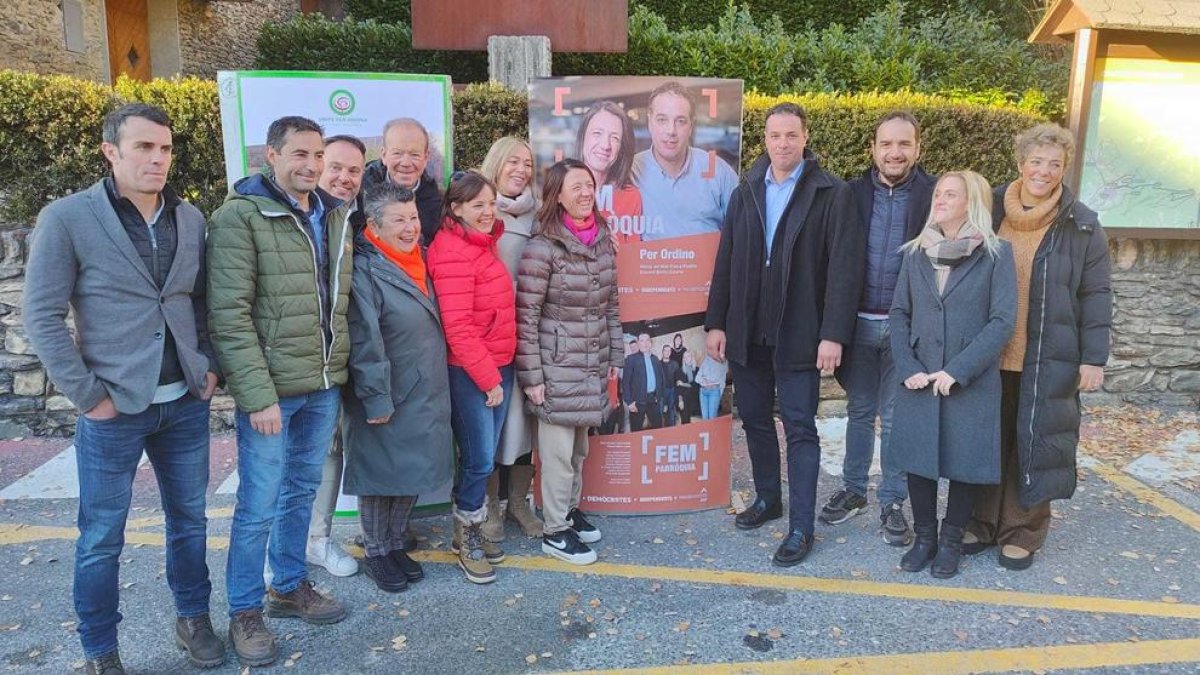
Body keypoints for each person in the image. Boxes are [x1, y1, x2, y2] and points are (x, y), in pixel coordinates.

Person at [24, 103, 223, 674]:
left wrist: (208, 364)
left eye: (165, 148)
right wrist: (90, 397)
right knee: (102, 537)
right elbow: (41, 315)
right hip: (113, 409)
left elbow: (199, 299)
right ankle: (100, 652)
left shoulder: (190, 218)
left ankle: (192, 619)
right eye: (144, 148)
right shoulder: (67, 217)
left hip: (184, 403)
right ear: (111, 152)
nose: (158, 159)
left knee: (190, 522)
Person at [208, 116, 354, 667]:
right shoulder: (239, 218)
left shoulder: (333, 214)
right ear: (271, 156)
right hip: (272, 392)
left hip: (322, 384)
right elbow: (229, 314)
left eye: (318, 154)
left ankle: (288, 585)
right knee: (258, 503)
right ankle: (246, 610)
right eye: (299, 154)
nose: (312, 165)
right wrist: (256, 394)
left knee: (300, 492)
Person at [705, 102, 864, 566]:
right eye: (775, 135)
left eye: (791, 135)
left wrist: (833, 334)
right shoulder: (747, 189)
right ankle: (768, 499)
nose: (783, 143)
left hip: (801, 333)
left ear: (805, 136)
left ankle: (801, 526)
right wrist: (718, 321)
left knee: (799, 428)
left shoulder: (831, 193)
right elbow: (727, 259)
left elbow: (843, 272)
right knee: (754, 418)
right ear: (765, 139)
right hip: (748, 331)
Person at [964, 123, 1112, 570]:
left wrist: (1093, 358)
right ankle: (981, 520)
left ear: (1064, 169)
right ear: (1020, 163)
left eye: (1054, 164)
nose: (1044, 171)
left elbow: (1096, 294)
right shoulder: (987, 209)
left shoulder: (1081, 224)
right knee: (987, 440)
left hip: (1048, 353)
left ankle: (1023, 530)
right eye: (1036, 161)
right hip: (989, 351)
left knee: (1036, 443)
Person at [889, 171, 1017, 578]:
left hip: (970, 379)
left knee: (965, 462)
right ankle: (925, 538)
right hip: (920, 377)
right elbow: (899, 313)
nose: (940, 199)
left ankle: (950, 542)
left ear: (971, 202)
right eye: (939, 193)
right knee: (918, 460)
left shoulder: (997, 254)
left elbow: (1001, 321)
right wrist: (908, 368)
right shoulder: (915, 252)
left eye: (951, 194)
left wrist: (959, 370)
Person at [821, 111, 937, 545]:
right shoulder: (847, 194)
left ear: (917, 149)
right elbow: (832, 264)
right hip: (859, 325)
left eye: (904, 144)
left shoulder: (932, 195)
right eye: (887, 144)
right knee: (857, 412)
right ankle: (853, 491)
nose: (895, 152)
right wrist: (831, 328)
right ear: (873, 148)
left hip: (907, 328)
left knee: (894, 418)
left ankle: (892, 501)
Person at [342, 184, 453, 593]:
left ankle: (392, 544)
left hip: (423, 389)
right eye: (399, 220)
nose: (410, 228)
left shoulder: (419, 258)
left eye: (413, 218)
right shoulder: (366, 267)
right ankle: (375, 551)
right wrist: (375, 397)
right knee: (379, 476)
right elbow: (364, 336)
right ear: (373, 225)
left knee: (410, 471)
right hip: (388, 387)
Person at [516, 158, 623, 565]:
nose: (584, 193)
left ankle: (569, 512)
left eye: (589, 185)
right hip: (556, 366)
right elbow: (525, 315)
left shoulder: (602, 240)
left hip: (591, 363)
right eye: (576, 186)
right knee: (557, 455)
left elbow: (611, 306)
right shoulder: (543, 246)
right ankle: (555, 532)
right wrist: (533, 377)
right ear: (557, 195)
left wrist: (616, 354)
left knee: (579, 450)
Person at [426, 171, 517, 584]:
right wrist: (488, 379)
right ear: (456, 208)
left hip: (499, 363)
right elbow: (457, 327)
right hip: (472, 371)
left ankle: (471, 529)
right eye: (477, 204)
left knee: (485, 455)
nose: (487, 212)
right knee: (478, 457)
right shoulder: (451, 250)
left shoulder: (484, 244)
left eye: (491, 203)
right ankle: (467, 536)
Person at [305, 134, 368, 580]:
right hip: (305, 361)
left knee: (336, 450)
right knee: (305, 457)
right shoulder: (302, 218)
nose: (344, 178)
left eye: (354, 171)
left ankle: (318, 539)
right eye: (337, 167)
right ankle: (296, 547)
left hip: (346, 355)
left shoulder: (352, 219)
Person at [478, 136, 544, 542]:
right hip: (488, 337)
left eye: (527, 163)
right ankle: (488, 508)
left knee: (524, 424)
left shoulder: (539, 215)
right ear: (496, 163)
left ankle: (518, 503)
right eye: (513, 162)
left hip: (529, 334)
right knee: (489, 426)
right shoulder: (476, 208)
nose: (521, 169)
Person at [632, 81, 738, 240]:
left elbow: (741, 230)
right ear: (650, 123)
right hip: (651, 264)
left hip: (709, 264)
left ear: (691, 126)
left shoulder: (718, 171)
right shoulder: (631, 170)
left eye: (680, 121)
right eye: (662, 120)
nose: (671, 131)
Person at [361, 118, 443, 244]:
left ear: (426, 158)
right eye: (397, 153)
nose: (405, 163)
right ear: (384, 155)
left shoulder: (438, 203)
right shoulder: (360, 192)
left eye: (414, 155)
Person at [574, 100, 643, 242]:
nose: (605, 145)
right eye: (597, 133)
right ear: (582, 137)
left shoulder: (630, 197)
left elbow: (632, 258)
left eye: (615, 138)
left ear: (622, 148)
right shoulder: (560, 191)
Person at [622, 333, 666, 432]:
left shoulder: (656, 360)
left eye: (647, 340)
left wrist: (659, 397)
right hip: (636, 403)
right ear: (638, 343)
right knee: (636, 432)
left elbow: (661, 380)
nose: (645, 343)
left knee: (658, 429)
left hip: (653, 400)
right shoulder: (631, 359)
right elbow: (625, 383)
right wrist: (629, 403)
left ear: (650, 343)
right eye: (642, 341)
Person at [696, 353, 727, 420]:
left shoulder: (723, 361)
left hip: (714, 391)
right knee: (705, 418)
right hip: (703, 392)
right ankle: (707, 430)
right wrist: (706, 380)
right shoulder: (706, 360)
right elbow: (697, 378)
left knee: (712, 418)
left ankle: (713, 430)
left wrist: (705, 379)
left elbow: (719, 378)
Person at [676, 350, 700, 424]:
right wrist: (680, 401)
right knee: (685, 421)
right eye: (685, 357)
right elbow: (678, 388)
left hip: (695, 399)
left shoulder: (697, 369)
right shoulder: (679, 371)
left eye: (688, 356)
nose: (686, 358)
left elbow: (696, 385)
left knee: (694, 422)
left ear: (692, 358)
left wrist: (683, 383)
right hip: (684, 398)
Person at [660, 344, 681, 427]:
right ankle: (660, 430)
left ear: (670, 352)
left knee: (671, 410)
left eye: (669, 351)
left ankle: (672, 429)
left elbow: (678, 377)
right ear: (662, 352)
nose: (667, 352)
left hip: (672, 390)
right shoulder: (658, 364)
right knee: (661, 410)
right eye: (665, 350)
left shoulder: (675, 364)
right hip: (662, 391)